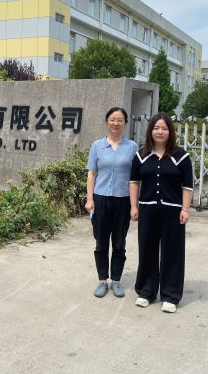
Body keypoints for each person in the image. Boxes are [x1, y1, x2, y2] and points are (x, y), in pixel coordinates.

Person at [129, 112, 193, 313]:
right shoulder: (141, 155)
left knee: (172, 252)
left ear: (170, 131)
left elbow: (187, 186)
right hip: (147, 209)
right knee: (147, 249)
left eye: (164, 128)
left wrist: (185, 209)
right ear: (151, 131)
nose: (160, 131)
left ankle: (170, 295)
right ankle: (146, 291)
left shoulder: (181, 157)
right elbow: (134, 182)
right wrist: (133, 206)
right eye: (156, 128)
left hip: (173, 212)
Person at [86, 107, 138, 298]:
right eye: (112, 119)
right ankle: (102, 280)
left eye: (120, 120)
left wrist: (134, 205)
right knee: (101, 242)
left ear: (125, 123)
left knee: (119, 243)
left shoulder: (132, 147)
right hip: (101, 200)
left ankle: (116, 280)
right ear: (107, 121)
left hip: (123, 201)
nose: (116, 123)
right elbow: (92, 174)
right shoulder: (97, 146)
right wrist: (89, 199)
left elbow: (135, 179)